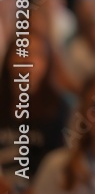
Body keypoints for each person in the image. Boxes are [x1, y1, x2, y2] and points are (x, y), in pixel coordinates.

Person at [0, 37, 72, 191]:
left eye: (37, 54)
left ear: (47, 64)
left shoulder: (59, 109)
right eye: (22, 52)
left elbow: (61, 162)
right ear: (8, 59)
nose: (28, 60)